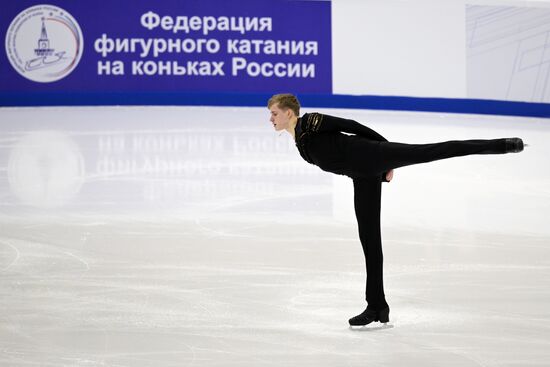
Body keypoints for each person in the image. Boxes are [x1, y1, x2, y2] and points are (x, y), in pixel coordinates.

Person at [267, 93, 525, 327]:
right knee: (369, 241)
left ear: (289, 112)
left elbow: (352, 127)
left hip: (373, 153)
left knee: (435, 150)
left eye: (274, 113)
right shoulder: (301, 146)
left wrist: (385, 155)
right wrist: (378, 175)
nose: (271, 119)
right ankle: (377, 306)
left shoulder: (311, 122)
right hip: (363, 176)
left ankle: (503, 144)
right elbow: (340, 162)